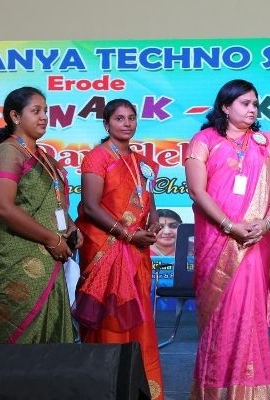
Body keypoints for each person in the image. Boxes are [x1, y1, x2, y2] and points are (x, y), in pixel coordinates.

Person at [184, 79, 270, 399]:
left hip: (253, 241)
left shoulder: (267, 144)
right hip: (217, 239)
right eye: (245, 103)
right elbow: (197, 191)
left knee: (248, 314)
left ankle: (251, 391)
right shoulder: (203, 141)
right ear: (225, 107)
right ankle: (215, 390)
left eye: (255, 103)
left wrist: (266, 223)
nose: (252, 109)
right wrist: (229, 225)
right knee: (222, 314)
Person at [74, 99, 164, 399]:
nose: (127, 123)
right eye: (119, 118)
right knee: (109, 319)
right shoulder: (97, 158)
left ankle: (137, 386)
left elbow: (148, 201)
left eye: (131, 118)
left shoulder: (142, 163)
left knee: (139, 318)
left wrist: (154, 223)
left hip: (136, 251)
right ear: (106, 123)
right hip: (106, 248)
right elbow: (90, 207)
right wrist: (127, 235)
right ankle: (105, 388)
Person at [0, 86, 79, 344]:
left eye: (46, 111)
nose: (44, 117)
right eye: (36, 111)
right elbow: (1, 206)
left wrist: (71, 227)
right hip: (13, 256)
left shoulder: (42, 156)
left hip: (47, 257)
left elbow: (52, 203)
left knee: (48, 337)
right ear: (15, 116)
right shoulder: (7, 152)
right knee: (13, 335)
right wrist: (52, 239)